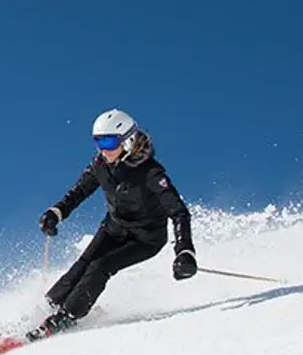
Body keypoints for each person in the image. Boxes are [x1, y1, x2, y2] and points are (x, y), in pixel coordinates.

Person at [33, 109, 197, 340]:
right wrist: (56, 213)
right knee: (82, 265)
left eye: (109, 141)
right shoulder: (101, 164)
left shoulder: (150, 172)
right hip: (114, 228)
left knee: (102, 266)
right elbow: (79, 191)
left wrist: (185, 252)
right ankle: (46, 310)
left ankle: (65, 318)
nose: (103, 149)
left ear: (128, 140)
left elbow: (179, 212)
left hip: (145, 239)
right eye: (98, 141)